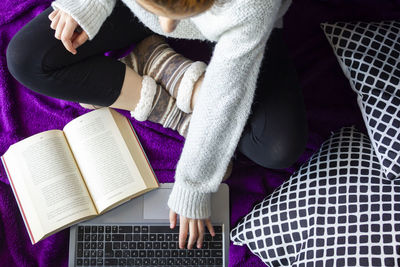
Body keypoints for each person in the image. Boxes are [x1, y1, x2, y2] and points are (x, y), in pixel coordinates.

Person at [6, 0, 308, 250]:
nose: (168, 27)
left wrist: (194, 184)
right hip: (131, 9)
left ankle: (163, 70)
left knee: (277, 148)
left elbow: (225, 95)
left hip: (242, 27)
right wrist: (88, 4)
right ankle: (164, 79)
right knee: (25, 59)